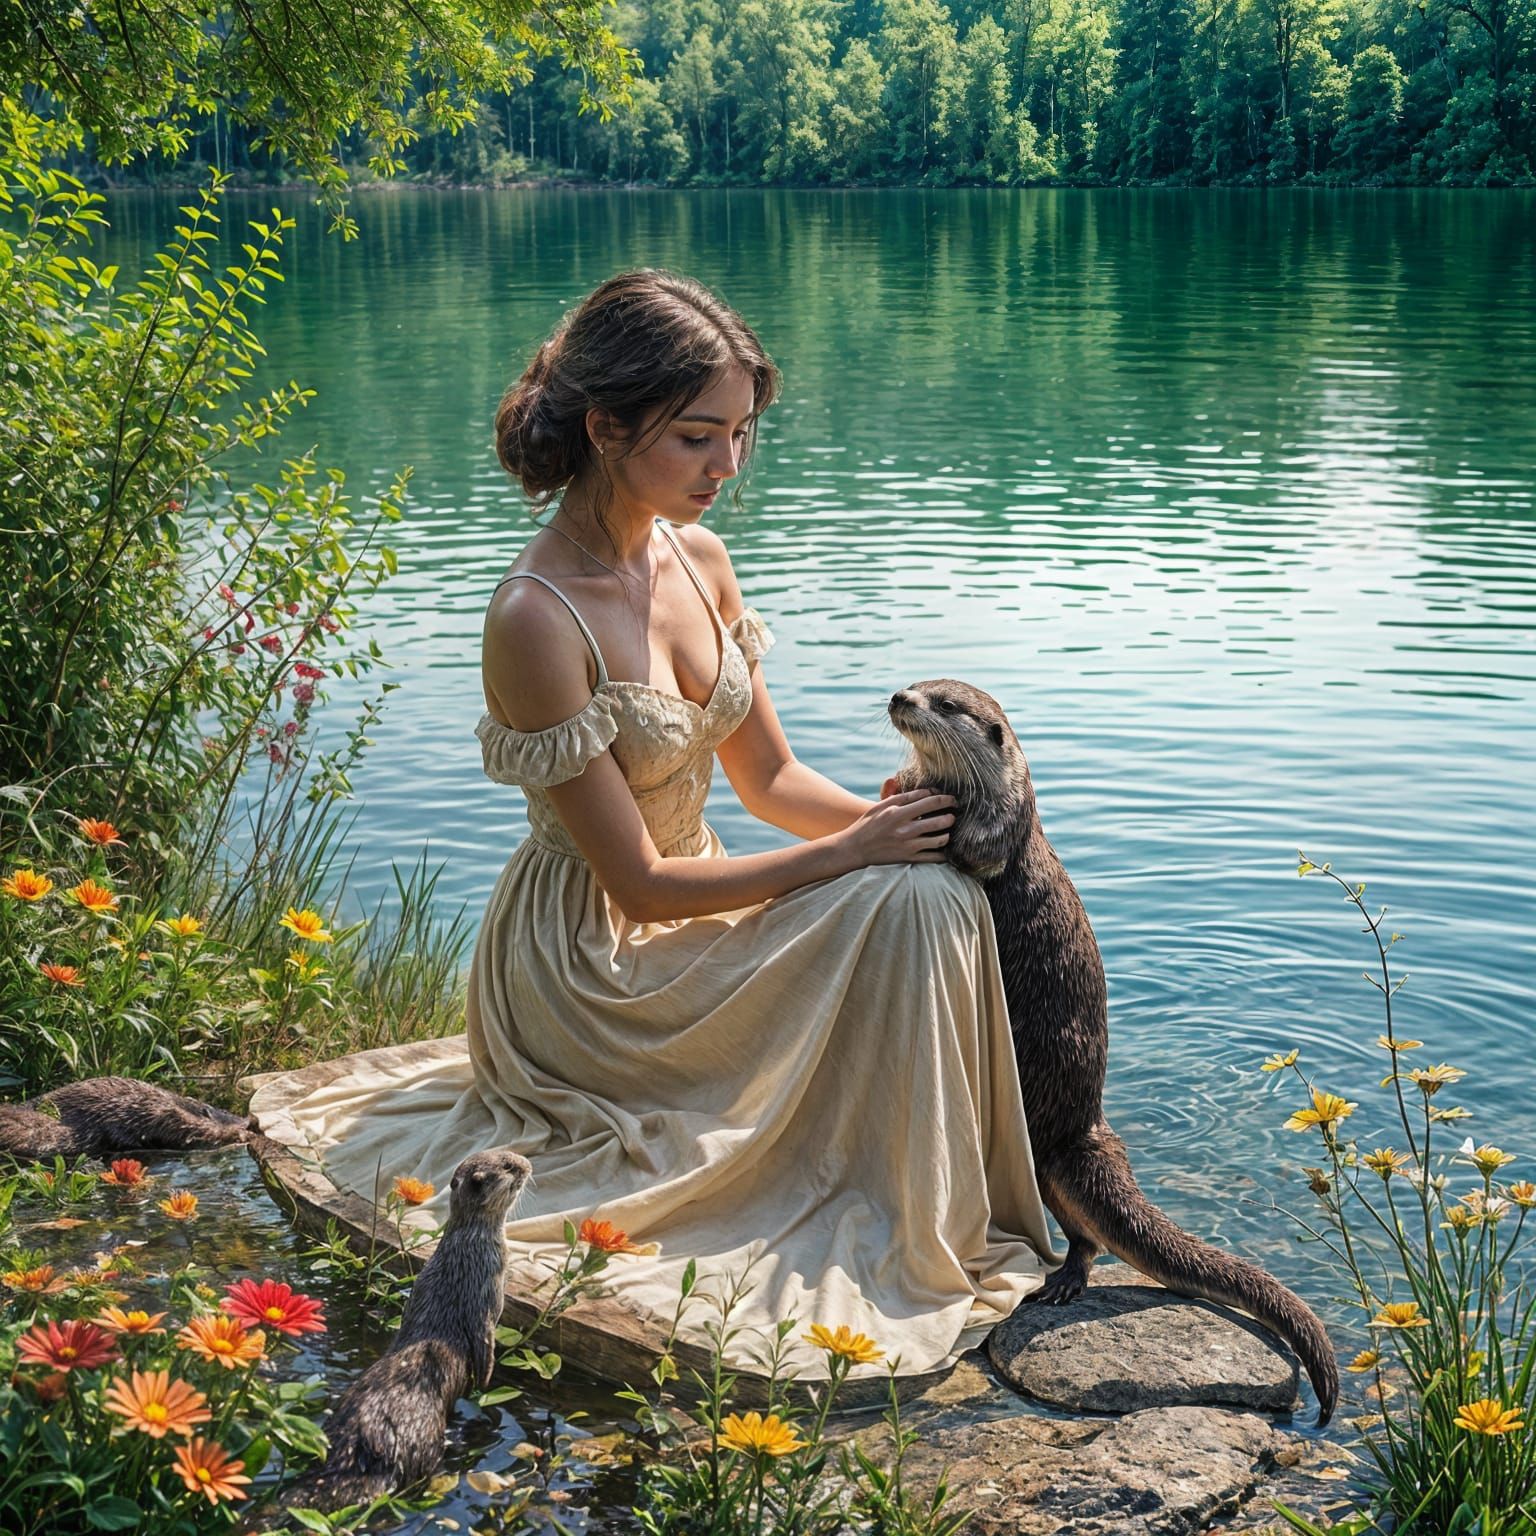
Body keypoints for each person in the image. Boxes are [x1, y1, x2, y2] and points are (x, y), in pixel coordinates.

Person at [260, 270, 1057, 1379]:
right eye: (696, 437)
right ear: (605, 427)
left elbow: (773, 780)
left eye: (740, 435)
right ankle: (885, 1192)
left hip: (704, 895)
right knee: (904, 896)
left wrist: (909, 826)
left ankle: (924, 1185)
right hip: (591, 964)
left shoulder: (700, 558)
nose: (726, 466)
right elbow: (634, 882)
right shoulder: (535, 616)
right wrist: (851, 854)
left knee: (932, 887)